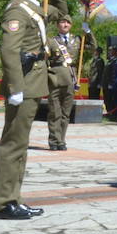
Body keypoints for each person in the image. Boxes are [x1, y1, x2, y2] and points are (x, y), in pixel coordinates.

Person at [0, 0, 60, 218]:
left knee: (20, 145)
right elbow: (9, 50)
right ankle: (4, 202)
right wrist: (15, 86)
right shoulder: (17, 11)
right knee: (13, 144)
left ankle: (13, 198)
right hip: (24, 83)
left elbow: (62, 12)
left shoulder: (32, 8)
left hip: (33, 82)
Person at [45, 15, 81, 150]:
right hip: (55, 79)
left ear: (71, 25)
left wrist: (88, 33)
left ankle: (61, 140)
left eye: (67, 23)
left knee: (66, 113)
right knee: (55, 112)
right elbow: (45, 60)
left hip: (71, 79)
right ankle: (54, 140)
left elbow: (92, 46)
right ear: (57, 25)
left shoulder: (77, 40)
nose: (65, 25)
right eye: (62, 22)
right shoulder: (51, 41)